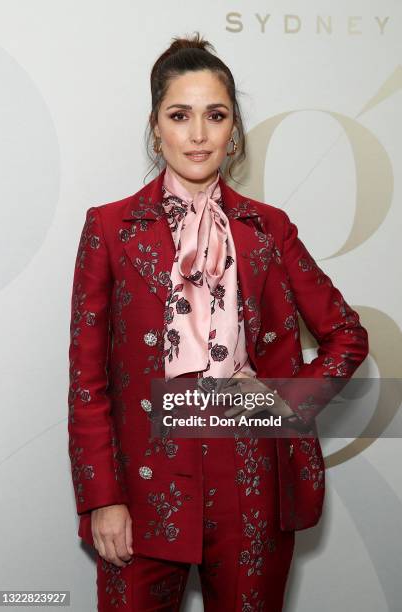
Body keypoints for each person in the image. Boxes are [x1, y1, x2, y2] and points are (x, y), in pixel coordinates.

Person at [67, 32, 369, 611]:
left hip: (251, 474)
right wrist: (101, 497)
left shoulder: (269, 228)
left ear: (234, 133)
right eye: (180, 115)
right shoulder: (109, 229)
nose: (198, 135)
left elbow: (346, 336)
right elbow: (87, 381)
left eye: (216, 116)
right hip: (144, 480)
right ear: (156, 127)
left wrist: (282, 400)